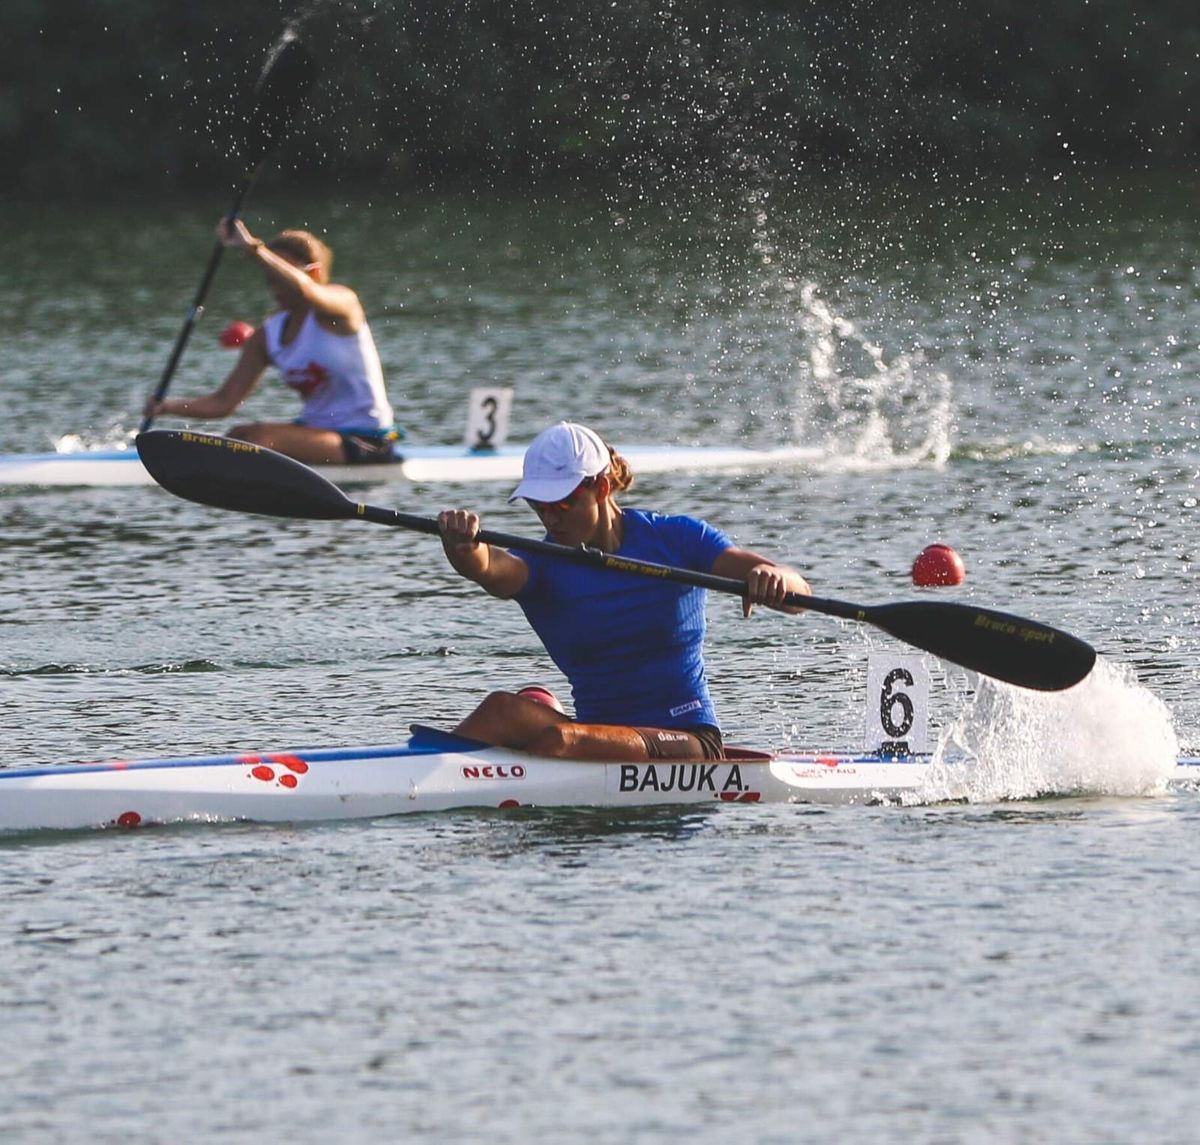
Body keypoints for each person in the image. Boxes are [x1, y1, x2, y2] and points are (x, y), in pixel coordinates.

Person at [437, 421, 812, 761]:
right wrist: (465, 548)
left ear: (601, 487)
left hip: (686, 738)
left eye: (563, 503)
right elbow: (489, 567)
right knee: (502, 710)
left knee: (562, 741)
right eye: (539, 506)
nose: (550, 518)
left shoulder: (676, 539)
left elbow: (798, 593)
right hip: (596, 735)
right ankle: (417, 771)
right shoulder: (539, 564)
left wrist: (773, 577)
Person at [143, 218, 399, 465]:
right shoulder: (268, 335)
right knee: (237, 437)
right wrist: (166, 406)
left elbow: (305, 290)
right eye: (271, 281)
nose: (276, 289)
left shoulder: (342, 308)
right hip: (314, 433)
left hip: (368, 440)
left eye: (281, 278)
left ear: (316, 273)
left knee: (260, 439)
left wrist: (254, 249)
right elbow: (223, 402)